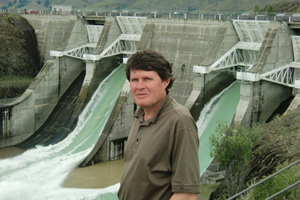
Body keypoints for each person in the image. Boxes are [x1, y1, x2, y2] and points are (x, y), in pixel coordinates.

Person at [118, 49, 200, 200]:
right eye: (135, 80)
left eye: (147, 79)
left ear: (165, 81)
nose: (139, 86)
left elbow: (187, 194)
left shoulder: (179, 122)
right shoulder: (140, 115)